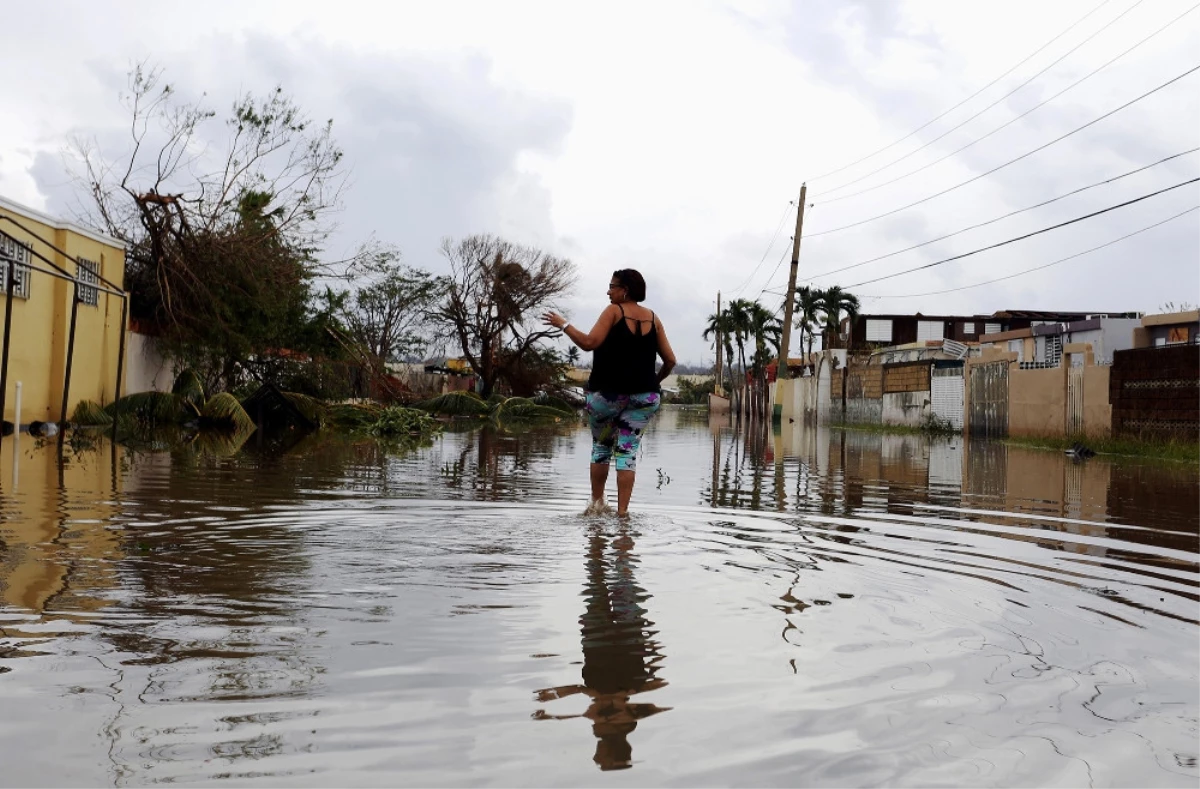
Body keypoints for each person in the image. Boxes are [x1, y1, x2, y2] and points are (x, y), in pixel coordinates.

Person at [542, 269, 676, 517]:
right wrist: (652, 382)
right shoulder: (655, 319)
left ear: (624, 290)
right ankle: (623, 514)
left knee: (602, 448)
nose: (608, 291)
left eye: (612, 286)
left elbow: (589, 343)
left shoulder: (615, 310)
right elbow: (670, 360)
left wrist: (564, 324)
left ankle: (597, 506)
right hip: (644, 399)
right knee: (627, 452)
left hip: (607, 397)